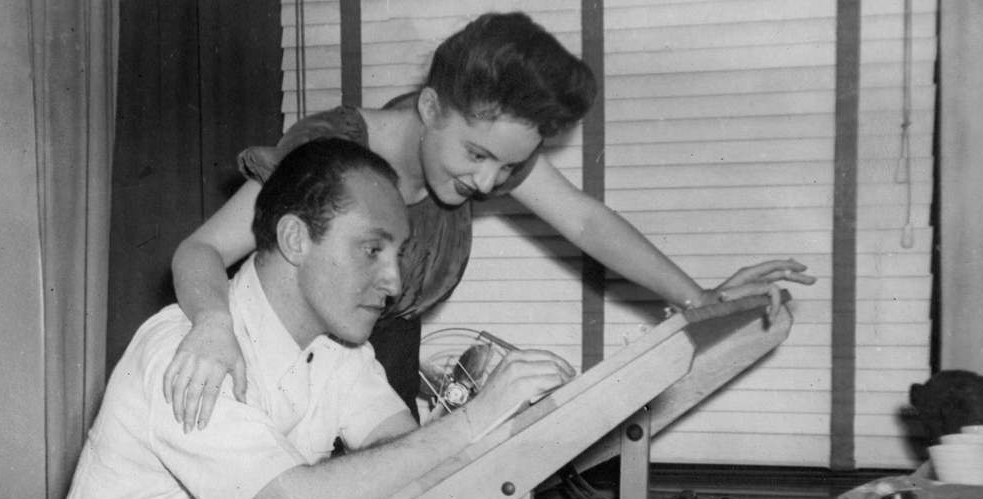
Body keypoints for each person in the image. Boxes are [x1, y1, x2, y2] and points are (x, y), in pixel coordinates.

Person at [19, 137, 575, 499]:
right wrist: (473, 418)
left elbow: (408, 473)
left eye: (398, 252)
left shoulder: (337, 352)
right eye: (371, 250)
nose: (393, 281)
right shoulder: (186, 351)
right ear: (294, 240)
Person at [165, 10, 815, 431]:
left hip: (376, 379)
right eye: (476, 155)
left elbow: (586, 223)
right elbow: (197, 250)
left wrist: (696, 299)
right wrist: (212, 325)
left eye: (508, 170)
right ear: (429, 105)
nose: (486, 183)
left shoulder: (475, 163)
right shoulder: (330, 159)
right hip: (281, 384)